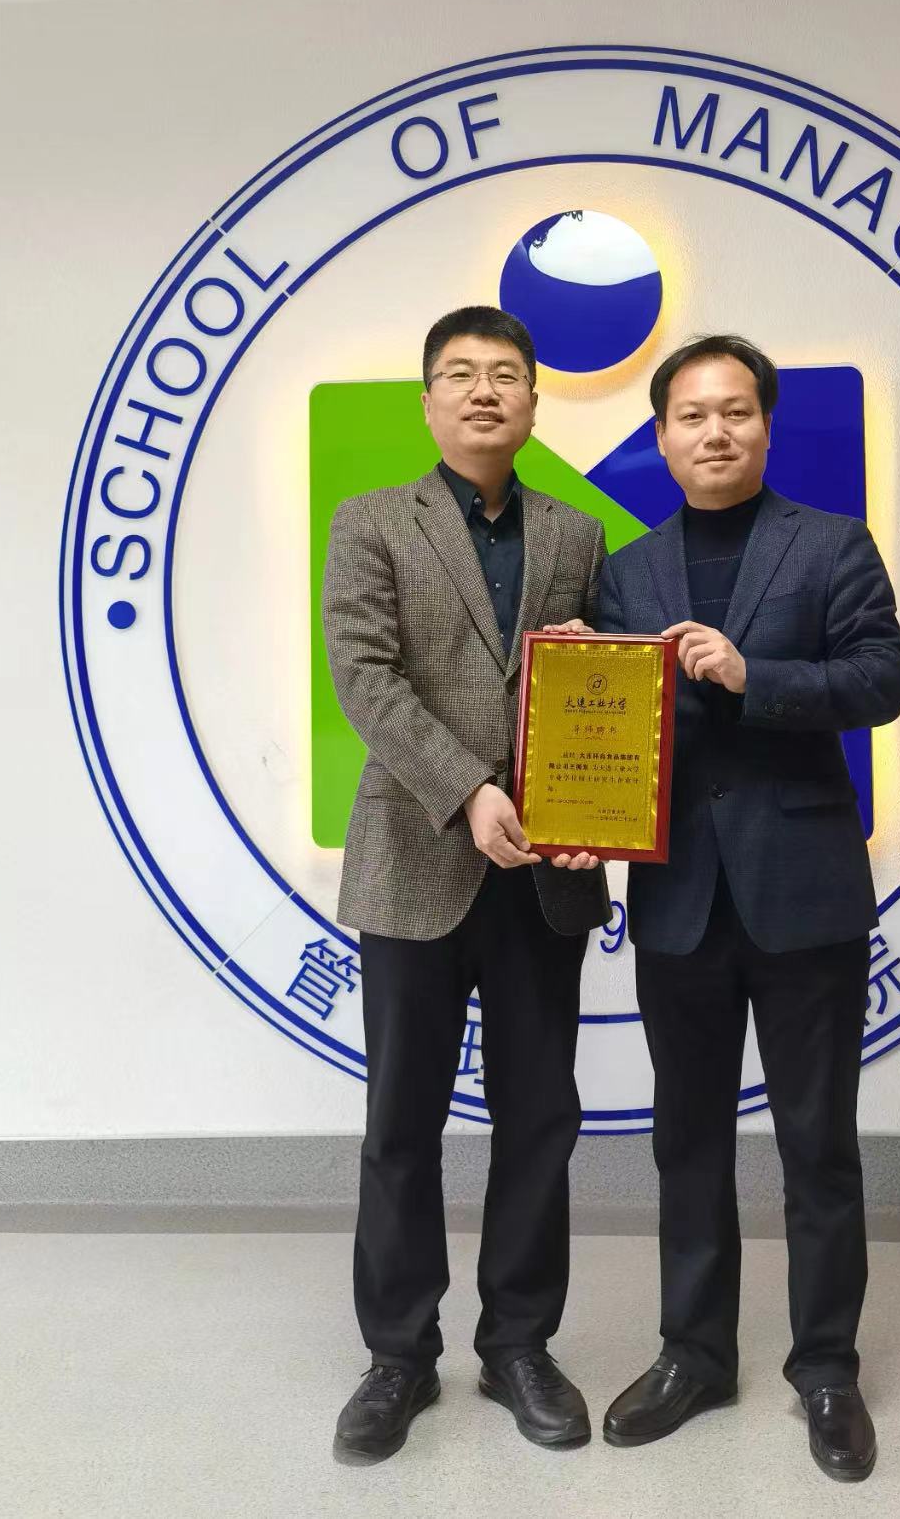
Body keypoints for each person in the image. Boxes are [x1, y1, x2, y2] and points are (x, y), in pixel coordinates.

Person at [561, 333, 900, 1481]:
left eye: (735, 411)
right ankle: (695, 1352)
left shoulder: (832, 544)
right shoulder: (627, 569)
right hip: (677, 896)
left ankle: (826, 1368)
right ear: (660, 436)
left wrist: (750, 674)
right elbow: (616, 725)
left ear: (765, 424)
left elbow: (880, 679)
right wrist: (577, 700)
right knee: (686, 1139)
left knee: (817, 1143)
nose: (714, 431)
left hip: (803, 891)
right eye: (691, 415)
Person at [322, 305, 610, 1463]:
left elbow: (602, 690)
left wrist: (593, 804)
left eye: (505, 374)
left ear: (534, 400)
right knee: (402, 1118)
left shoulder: (577, 533)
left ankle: (518, 1343)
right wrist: (467, 789)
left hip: (543, 871)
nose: (484, 390)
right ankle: (398, 1353)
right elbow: (365, 676)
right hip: (415, 856)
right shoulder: (370, 522)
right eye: (460, 373)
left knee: (538, 1115)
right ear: (428, 401)